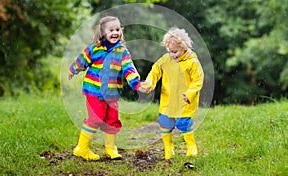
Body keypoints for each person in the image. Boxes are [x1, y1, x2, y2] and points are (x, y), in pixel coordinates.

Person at [68, 16, 141, 161]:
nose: (115, 33)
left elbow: (129, 68)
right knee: (95, 118)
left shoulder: (122, 52)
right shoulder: (95, 49)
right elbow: (82, 60)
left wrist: (136, 83)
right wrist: (73, 69)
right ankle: (81, 148)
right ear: (102, 33)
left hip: (112, 93)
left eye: (118, 29)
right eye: (111, 30)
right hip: (94, 91)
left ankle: (110, 148)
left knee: (112, 119)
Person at [139, 27, 204, 160]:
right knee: (165, 123)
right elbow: (155, 71)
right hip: (167, 99)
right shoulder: (166, 59)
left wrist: (190, 93)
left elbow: (198, 80)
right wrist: (148, 84)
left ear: (184, 46)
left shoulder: (192, 62)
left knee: (183, 123)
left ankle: (191, 146)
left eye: (175, 51)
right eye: (169, 51)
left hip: (184, 100)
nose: (172, 55)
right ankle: (169, 148)